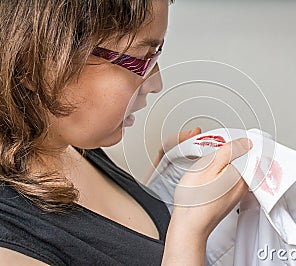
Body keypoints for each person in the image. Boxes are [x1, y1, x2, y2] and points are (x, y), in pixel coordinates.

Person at [0, 0, 253, 265]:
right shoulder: (9, 245)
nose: (156, 83)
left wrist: (163, 178)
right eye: (142, 58)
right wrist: (190, 233)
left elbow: (111, 245)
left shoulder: (70, 146)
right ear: (35, 62)